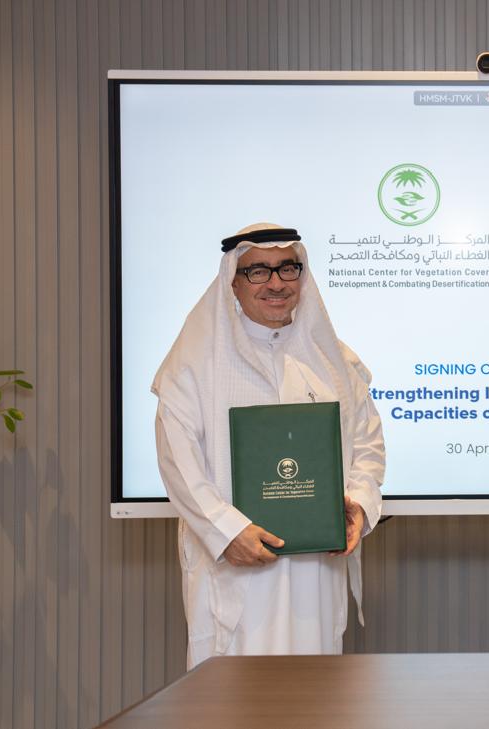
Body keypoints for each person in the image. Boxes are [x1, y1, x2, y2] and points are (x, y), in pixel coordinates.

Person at [153, 222, 385, 669]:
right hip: (235, 568)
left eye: (287, 269)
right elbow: (178, 462)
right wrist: (227, 531)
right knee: (230, 700)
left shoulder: (335, 361)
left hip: (316, 571)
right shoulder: (195, 365)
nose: (276, 283)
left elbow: (368, 443)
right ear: (233, 284)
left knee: (315, 697)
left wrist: (358, 506)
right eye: (258, 272)